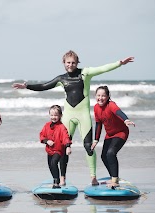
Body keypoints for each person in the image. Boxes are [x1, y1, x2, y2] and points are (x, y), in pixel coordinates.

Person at [12, 50, 134, 185]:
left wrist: (119, 63)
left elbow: (102, 69)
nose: (70, 65)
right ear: (64, 63)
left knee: (89, 147)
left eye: (73, 62)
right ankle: (63, 178)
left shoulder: (85, 73)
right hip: (68, 116)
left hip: (83, 116)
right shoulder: (61, 79)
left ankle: (93, 177)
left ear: (77, 63)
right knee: (63, 146)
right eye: (68, 62)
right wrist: (27, 86)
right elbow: (44, 86)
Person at [93, 86, 135, 188]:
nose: (100, 98)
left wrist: (126, 120)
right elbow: (98, 124)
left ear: (108, 97)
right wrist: (95, 140)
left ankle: (115, 180)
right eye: (98, 95)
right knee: (104, 156)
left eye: (103, 95)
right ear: (95, 96)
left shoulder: (111, 105)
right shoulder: (96, 108)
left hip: (121, 132)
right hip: (110, 134)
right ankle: (113, 177)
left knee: (111, 153)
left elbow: (118, 112)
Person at [40, 105, 72, 188]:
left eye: (56, 115)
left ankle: (56, 182)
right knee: (51, 166)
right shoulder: (47, 125)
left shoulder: (62, 127)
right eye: (52, 115)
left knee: (54, 163)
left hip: (58, 151)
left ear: (60, 116)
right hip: (49, 150)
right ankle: (55, 179)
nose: (53, 117)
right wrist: (47, 141)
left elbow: (66, 137)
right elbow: (42, 135)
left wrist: (68, 146)